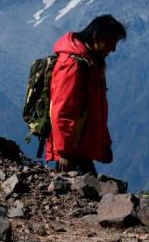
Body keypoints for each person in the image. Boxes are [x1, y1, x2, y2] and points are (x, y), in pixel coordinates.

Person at [45, 14, 126, 175]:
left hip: (79, 148)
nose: (113, 49)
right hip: (72, 151)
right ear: (96, 38)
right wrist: (63, 151)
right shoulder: (73, 65)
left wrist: (104, 145)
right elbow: (62, 110)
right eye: (111, 42)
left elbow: (96, 109)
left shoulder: (91, 64)